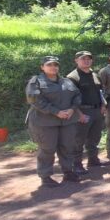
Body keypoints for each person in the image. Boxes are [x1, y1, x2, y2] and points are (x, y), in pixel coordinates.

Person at [25, 56, 82, 187]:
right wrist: (56, 111)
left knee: (67, 147)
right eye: (49, 65)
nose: (53, 67)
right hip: (45, 122)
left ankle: (68, 171)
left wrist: (72, 109)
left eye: (55, 65)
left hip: (67, 121)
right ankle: (45, 176)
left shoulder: (66, 81)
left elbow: (77, 96)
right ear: (42, 67)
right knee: (47, 149)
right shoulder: (36, 82)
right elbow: (34, 100)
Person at [66, 51, 109, 175]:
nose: (86, 61)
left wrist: (103, 105)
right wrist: (79, 114)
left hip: (97, 110)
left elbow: (100, 92)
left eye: (89, 58)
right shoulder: (72, 77)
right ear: (76, 60)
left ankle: (93, 160)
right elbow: (69, 99)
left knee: (95, 137)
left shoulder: (94, 75)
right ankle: (77, 164)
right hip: (82, 111)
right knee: (79, 139)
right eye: (83, 59)